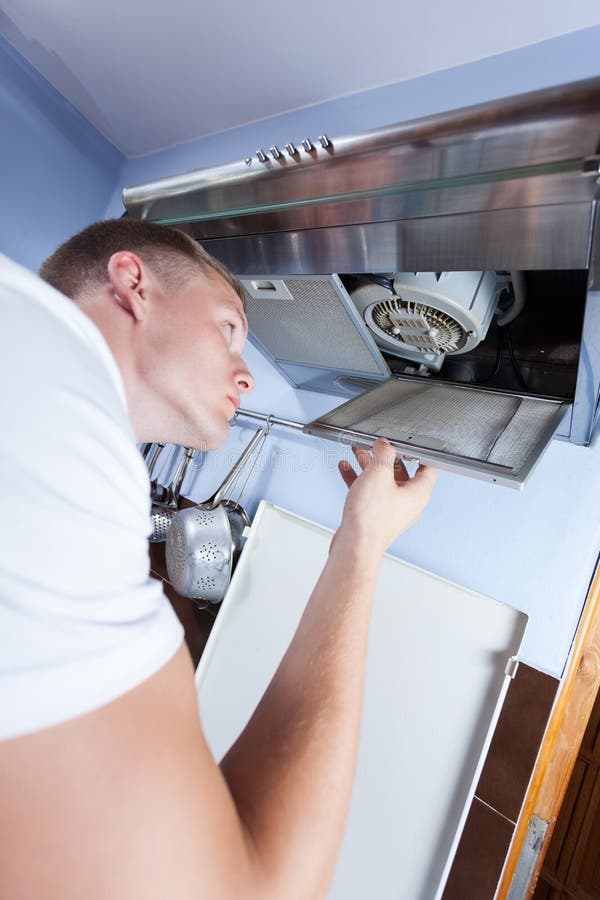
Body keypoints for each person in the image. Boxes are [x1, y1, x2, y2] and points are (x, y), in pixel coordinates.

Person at [0, 219, 436, 900]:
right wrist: (364, 544)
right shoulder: (60, 404)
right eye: (229, 330)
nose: (248, 379)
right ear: (132, 283)